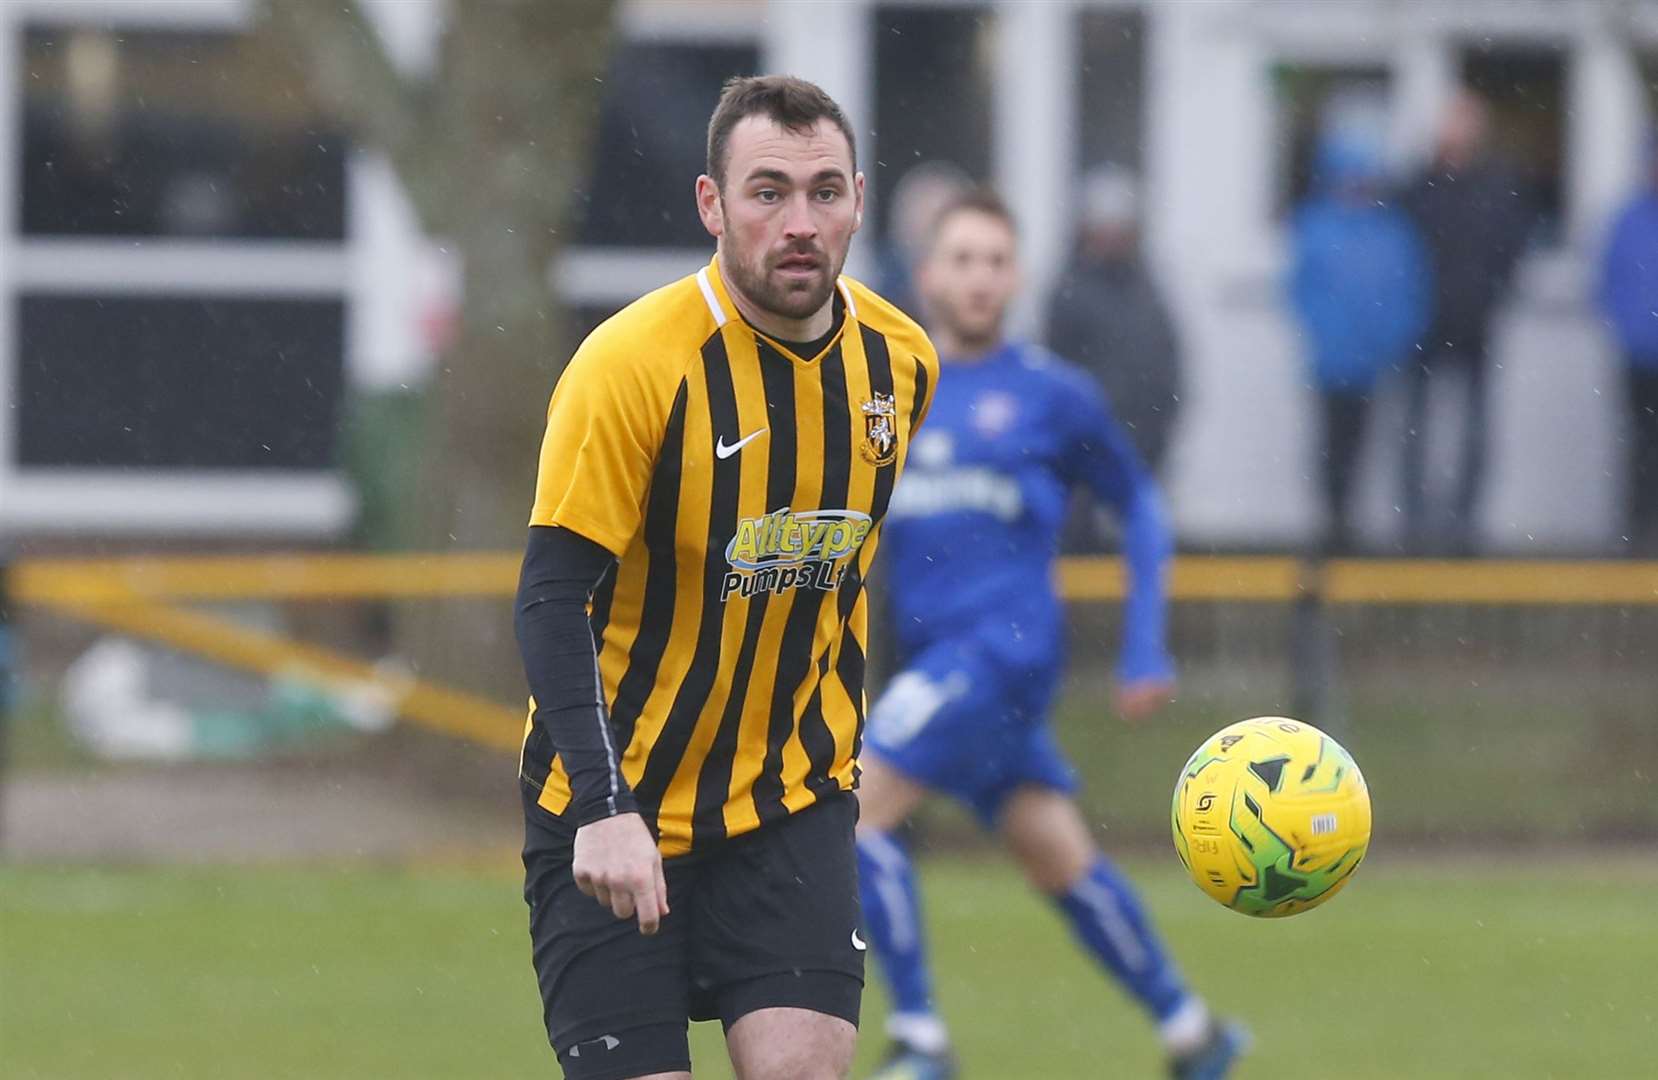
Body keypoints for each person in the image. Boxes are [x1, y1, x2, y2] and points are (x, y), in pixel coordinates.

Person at [514, 75, 939, 1080]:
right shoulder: (629, 367)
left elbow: (846, 576)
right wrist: (606, 807)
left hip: (789, 804)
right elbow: (548, 599)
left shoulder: (900, 364)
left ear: (858, 200)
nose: (799, 222)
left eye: (823, 191)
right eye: (767, 192)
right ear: (711, 204)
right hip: (612, 809)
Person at [855, 190, 1247, 1080]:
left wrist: (1146, 643)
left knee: (851, 811)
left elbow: (1140, 504)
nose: (980, 277)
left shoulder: (1051, 394)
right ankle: (1193, 1034)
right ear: (926, 275)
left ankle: (920, 1039)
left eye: (996, 260)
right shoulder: (888, 393)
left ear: (1018, 276)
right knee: (1054, 851)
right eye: (962, 259)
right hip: (937, 663)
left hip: (1001, 651)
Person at [1398, 89, 1538, 555]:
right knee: (1416, 425)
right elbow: (1400, 248)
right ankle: (1415, 520)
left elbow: (1515, 242)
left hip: (1476, 321)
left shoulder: (1496, 186)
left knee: (1475, 426)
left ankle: (1464, 521)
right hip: (1423, 322)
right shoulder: (1419, 186)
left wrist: (1493, 289)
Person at [1288, 126, 1432, 555]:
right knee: (1331, 444)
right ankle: (1332, 524)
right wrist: (1325, 335)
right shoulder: (1317, 227)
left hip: (1373, 362)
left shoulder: (1393, 232)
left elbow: (1410, 292)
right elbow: (1301, 291)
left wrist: (1393, 340)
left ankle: (1352, 527)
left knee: (1366, 444)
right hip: (1331, 361)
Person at [1045, 165, 1184, 478]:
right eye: (1105, 227)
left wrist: (1164, 419)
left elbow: (1168, 357)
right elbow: (1054, 370)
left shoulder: (1148, 290)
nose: (1114, 237)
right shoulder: (1069, 292)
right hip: (1086, 446)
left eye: (1121, 228)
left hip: (1145, 441)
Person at [1597, 131, 1658, 557]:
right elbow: (1607, 282)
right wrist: (1626, 328)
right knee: (1640, 443)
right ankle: (1638, 528)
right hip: (1638, 355)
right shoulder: (1628, 219)